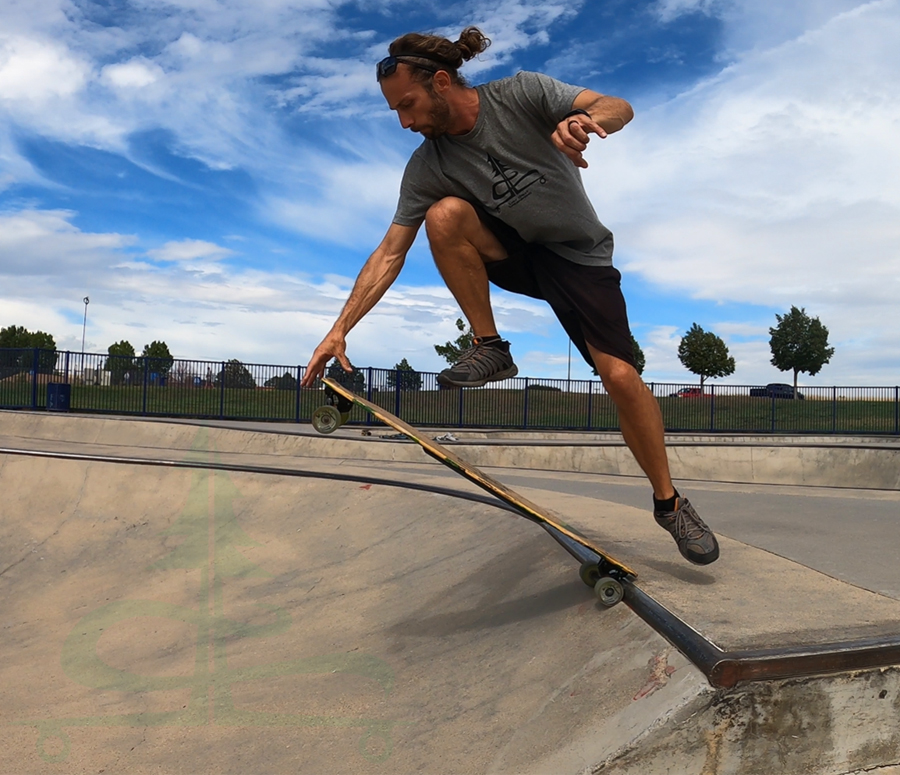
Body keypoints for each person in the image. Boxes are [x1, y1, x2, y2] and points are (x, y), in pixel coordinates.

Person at [301, 27, 719, 565]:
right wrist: (340, 328)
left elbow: (618, 105)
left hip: (577, 256)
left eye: (408, 105)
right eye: (395, 113)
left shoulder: (520, 94)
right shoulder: (428, 165)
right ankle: (490, 344)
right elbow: (389, 251)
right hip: (514, 254)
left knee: (619, 377)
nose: (405, 122)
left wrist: (584, 121)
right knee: (443, 214)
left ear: (442, 82)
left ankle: (669, 504)